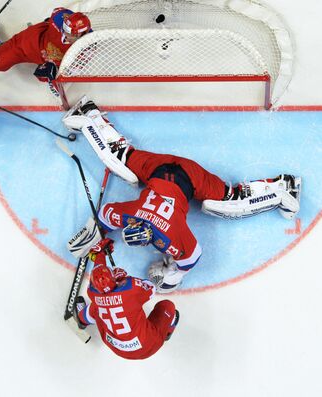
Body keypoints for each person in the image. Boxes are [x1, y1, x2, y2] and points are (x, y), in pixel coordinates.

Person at [65, 96, 302, 293]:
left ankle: (283, 190)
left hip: (180, 174)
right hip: (168, 170)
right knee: (120, 158)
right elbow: (107, 214)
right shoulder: (138, 219)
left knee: (231, 203)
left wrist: (170, 275)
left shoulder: (160, 231)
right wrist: (99, 232)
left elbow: (191, 259)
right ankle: (89, 114)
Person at [73, 238, 179, 360]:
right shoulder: (131, 288)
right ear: (113, 279)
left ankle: (82, 319)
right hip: (148, 345)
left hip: (116, 348)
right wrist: (125, 279)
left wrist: (99, 254)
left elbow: (98, 271)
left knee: (96, 307)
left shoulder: (93, 292)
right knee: (167, 306)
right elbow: (151, 289)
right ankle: (167, 330)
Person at [0, 7, 92, 83]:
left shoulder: (87, 48)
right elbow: (57, 13)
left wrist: (55, 71)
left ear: (81, 34)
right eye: (64, 28)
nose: (64, 32)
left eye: (70, 33)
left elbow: (72, 70)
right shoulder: (60, 20)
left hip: (45, 58)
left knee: (44, 77)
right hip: (27, 44)